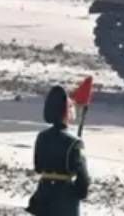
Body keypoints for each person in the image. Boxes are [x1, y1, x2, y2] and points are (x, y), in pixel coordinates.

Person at [26, 85, 90, 216]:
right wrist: (78, 193)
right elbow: (83, 179)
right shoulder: (75, 142)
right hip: (65, 200)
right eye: (71, 106)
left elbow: (38, 167)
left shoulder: (42, 137)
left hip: (43, 194)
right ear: (66, 112)